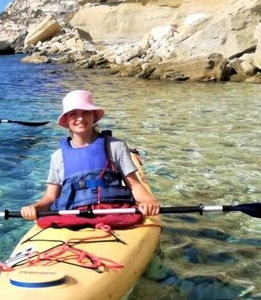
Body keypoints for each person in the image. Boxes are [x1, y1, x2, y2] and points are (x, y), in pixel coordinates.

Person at [21, 89, 160, 220]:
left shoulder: (115, 146)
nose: (80, 118)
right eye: (73, 114)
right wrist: (35, 207)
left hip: (114, 210)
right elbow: (51, 197)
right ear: (66, 120)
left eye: (85, 112)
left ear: (94, 116)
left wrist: (148, 201)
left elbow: (134, 185)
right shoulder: (58, 157)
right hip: (74, 214)